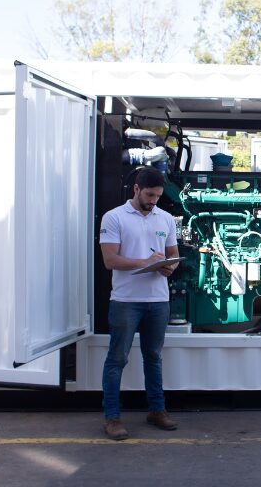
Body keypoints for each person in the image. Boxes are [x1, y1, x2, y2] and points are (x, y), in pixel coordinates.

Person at [99, 167, 179, 440]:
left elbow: (173, 255)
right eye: (149, 194)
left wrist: (169, 268)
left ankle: (157, 410)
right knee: (117, 359)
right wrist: (143, 263)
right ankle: (112, 417)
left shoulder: (166, 219)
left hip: (158, 300)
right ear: (135, 189)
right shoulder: (114, 218)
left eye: (157, 196)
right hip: (125, 300)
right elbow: (110, 260)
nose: (153, 200)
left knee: (154, 357)